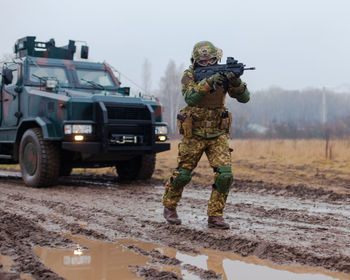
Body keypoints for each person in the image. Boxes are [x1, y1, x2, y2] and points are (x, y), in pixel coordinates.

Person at [162, 41, 251, 229]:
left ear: (216, 58)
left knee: (225, 175)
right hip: (194, 132)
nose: (207, 64)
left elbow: (244, 98)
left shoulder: (225, 74)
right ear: (195, 61)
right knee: (183, 174)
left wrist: (234, 80)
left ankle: (215, 215)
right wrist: (210, 81)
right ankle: (169, 206)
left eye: (211, 60)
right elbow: (190, 97)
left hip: (217, 132)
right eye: (203, 62)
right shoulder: (189, 75)